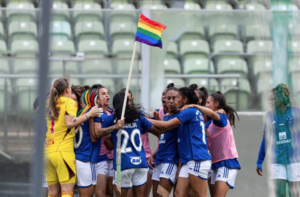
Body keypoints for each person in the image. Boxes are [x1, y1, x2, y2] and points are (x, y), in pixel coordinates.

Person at [148, 84, 212, 197]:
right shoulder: (189, 112)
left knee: (200, 194)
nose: (174, 101)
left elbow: (167, 125)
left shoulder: (189, 111)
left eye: (177, 97)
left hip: (197, 158)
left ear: (185, 100)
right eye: (170, 98)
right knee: (178, 193)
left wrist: (144, 119)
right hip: (188, 161)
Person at [96, 91, 162, 197]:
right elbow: (159, 132)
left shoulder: (111, 119)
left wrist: (112, 129)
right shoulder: (139, 118)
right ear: (128, 103)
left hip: (122, 165)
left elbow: (97, 133)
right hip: (141, 164)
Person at [45, 78, 100, 197]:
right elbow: (70, 122)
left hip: (48, 151)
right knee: (66, 192)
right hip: (63, 152)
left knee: (53, 193)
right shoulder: (69, 102)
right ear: (66, 90)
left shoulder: (49, 102)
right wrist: (88, 114)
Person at [182, 91, 241, 197]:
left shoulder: (221, 117)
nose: (206, 105)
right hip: (214, 164)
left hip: (226, 163)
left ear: (216, 104)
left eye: (208, 103)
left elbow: (213, 114)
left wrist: (195, 106)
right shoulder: (209, 123)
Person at [256, 84, 300, 197]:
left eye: (273, 99)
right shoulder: (269, 116)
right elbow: (265, 140)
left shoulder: (296, 112)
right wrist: (259, 161)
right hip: (277, 161)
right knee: (280, 194)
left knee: (294, 193)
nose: (270, 102)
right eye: (269, 99)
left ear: (281, 99)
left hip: (294, 161)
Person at [119, 88, 153, 197]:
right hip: (126, 161)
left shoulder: (141, 116)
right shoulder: (117, 118)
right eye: (123, 100)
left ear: (132, 99)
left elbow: (160, 133)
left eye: (128, 99)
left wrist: (154, 155)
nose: (126, 103)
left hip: (145, 159)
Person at [150, 84, 180, 197]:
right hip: (158, 161)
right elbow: (164, 138)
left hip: (170, 161)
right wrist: (153, 156)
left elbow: (166, 127)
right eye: (169, 98)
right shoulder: (165, 117)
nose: (171, 101)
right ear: (164, 100)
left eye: (174, 98)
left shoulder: (180, 116)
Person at [74, 88, 101, 197]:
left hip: (82, 158)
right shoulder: (92, 113)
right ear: (95, 100)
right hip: (85, 160)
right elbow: (94, 137)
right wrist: (114, 127)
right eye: (101, 95)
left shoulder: (81, 113)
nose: (105, 97)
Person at [92, 84, 112, 197]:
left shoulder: (112, 114)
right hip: (90, 158)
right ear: (96, 98)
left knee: (103, 193)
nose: (107, 96)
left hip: (106, 159)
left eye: (108, 93)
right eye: (103, 94)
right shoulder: (91, 114)